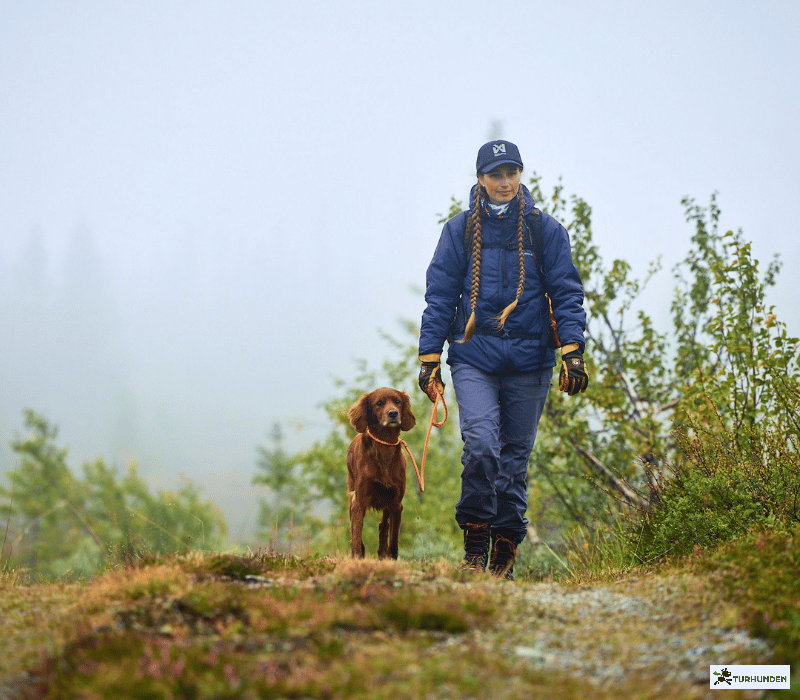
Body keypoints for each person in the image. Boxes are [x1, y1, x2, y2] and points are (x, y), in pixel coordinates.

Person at [417, 139, 588, 579]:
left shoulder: (545, 230)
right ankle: (475, 550)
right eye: (496, 174)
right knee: (480, 446)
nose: (505, 182)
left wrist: (573, 352)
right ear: (480, 179)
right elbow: (440, 296)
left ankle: (503, 560)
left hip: (530, 361)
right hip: (474, 357)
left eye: (512, 173)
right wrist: (430, 357)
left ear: (520, 175)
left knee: (514, 461)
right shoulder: (458, 231)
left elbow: (567, 292)